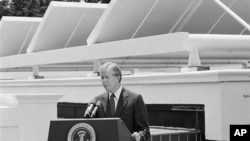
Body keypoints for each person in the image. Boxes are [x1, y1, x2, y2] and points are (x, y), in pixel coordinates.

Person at [86, 62, 150, 141]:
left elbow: (145, 131)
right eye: (102, 77)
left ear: (118, 77)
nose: (104, 81)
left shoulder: (135, 99)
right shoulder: (97, 101)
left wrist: (139, 136)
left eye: (107, 77)